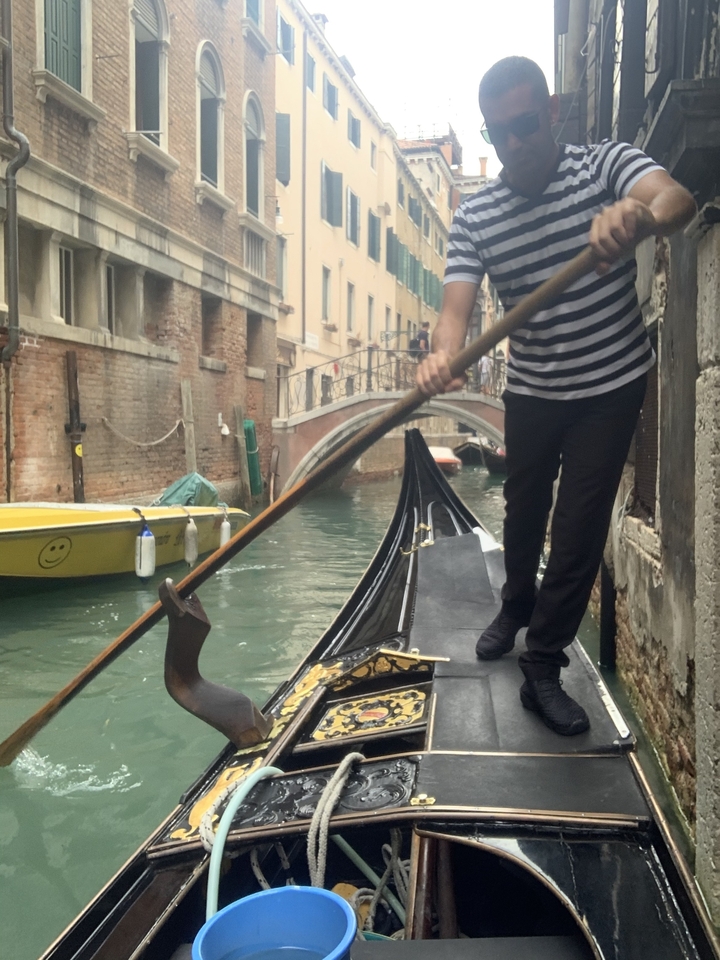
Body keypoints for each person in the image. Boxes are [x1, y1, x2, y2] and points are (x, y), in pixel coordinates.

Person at [416, 56, 695, 737]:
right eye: (499, 133)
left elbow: (676, 200)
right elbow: (455, 306)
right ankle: (516, 604)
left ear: (550, 113)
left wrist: (635, 211)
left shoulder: (604, 166)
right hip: (535, 386)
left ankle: (542, 664)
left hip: (611, 383)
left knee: (575, 531)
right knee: (522, 509)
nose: (514, 145)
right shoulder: (477, 213)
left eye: (525, 126)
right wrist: (442, 352)